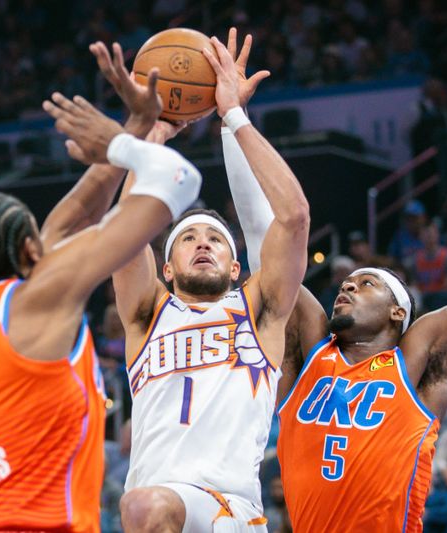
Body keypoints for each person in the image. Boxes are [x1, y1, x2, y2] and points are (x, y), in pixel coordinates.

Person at [230, 87, 447, 531]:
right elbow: (267, 245)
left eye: (366, 284)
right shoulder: (312, 351)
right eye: (345, 283)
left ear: (399, 313)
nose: (347, 288)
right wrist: (231, 119)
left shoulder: (417, 359)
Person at [0, 51, 201, 531]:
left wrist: (141, 123)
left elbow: (80, 210)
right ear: (26, 251)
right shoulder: (33, 299)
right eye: (35, 238)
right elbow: (181, 181)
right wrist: (122, 147)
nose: (47, 241)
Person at [105, 29, 307, 532]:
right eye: (187, 237)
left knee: (143, 507)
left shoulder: (260, 308)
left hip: (229, 508)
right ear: (166, 268)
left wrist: (233, 115)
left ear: (237, 269)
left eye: (215, 240)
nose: (202, 243)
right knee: (144, 505)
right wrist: (153, 137)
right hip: (158, 505)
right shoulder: (146, 314)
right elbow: (124, 232)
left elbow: (295, 217)